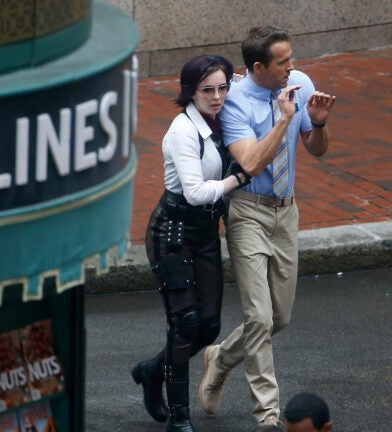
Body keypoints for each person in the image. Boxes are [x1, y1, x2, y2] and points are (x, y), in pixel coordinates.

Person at [198, 26, 337, 427]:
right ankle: (268, 414)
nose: (291, 68)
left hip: (286, 211)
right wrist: (284, 119)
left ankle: (220, 357)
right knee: (258, 316)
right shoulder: (235, 103)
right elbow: (252, 163)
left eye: (291, 59)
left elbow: (317, 150)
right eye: (282, 62)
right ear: (258, 67)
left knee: (280, 317)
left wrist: (319, 124)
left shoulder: (301, 83)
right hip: (248, 212)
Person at [131, 55, 251, 432]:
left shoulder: (224, 117)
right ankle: (180, 419)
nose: (217, 97)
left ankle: (152, 371)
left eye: (222, 88)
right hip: (173, 233)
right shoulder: (183, 130)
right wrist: (237, 180)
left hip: (204, 233)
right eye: (207, 90)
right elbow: (197, 192)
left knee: (210, 325)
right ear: (190, 91)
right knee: (185, 322)